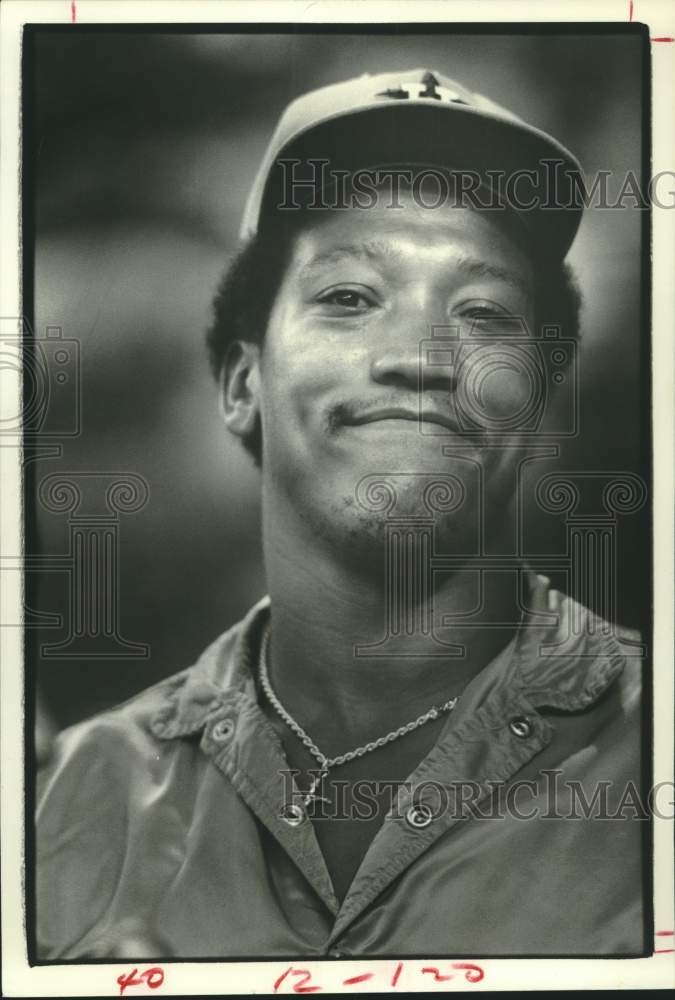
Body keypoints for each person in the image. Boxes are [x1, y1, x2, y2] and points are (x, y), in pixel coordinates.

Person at [37, 68, 644, 959]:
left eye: (483, 313)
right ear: (241, 384)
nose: (421, 357)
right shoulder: (69, 800)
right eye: (349, 298)